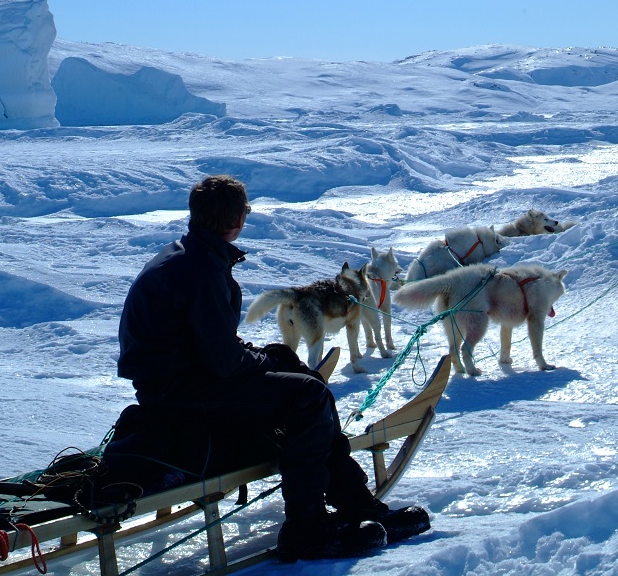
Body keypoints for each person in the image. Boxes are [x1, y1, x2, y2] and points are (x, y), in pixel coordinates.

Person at [112, 175, 429, 561]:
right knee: (308, 396)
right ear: (236, 222)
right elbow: (223, 361)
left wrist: (269, 356)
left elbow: (207, 344)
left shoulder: (185, 256)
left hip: (177, 383)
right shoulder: (200, 271)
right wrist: (263, 361)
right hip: (183, 394)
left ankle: (355, 501)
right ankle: (307, 528)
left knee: (298, 375)